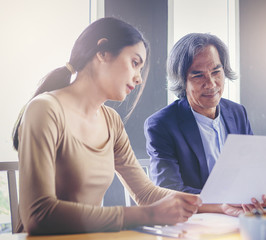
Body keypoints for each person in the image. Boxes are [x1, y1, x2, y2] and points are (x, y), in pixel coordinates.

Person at [12, 17, 207, 235]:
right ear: (102, 52)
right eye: (135, 63)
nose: (139, 79)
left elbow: (145, 193)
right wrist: (148, 215)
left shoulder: (111, 121)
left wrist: (218, 206)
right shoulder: (45, 109)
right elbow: (39, 216)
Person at [144, 33, 266, 211]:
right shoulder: (161, 125)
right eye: (198, 75)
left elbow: (255, 167)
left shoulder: (237, 112)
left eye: (216, 72)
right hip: (198, 221)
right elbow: (169, 190)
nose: (211, 84)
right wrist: (235, 201)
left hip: (246, 214)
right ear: (182, 81)